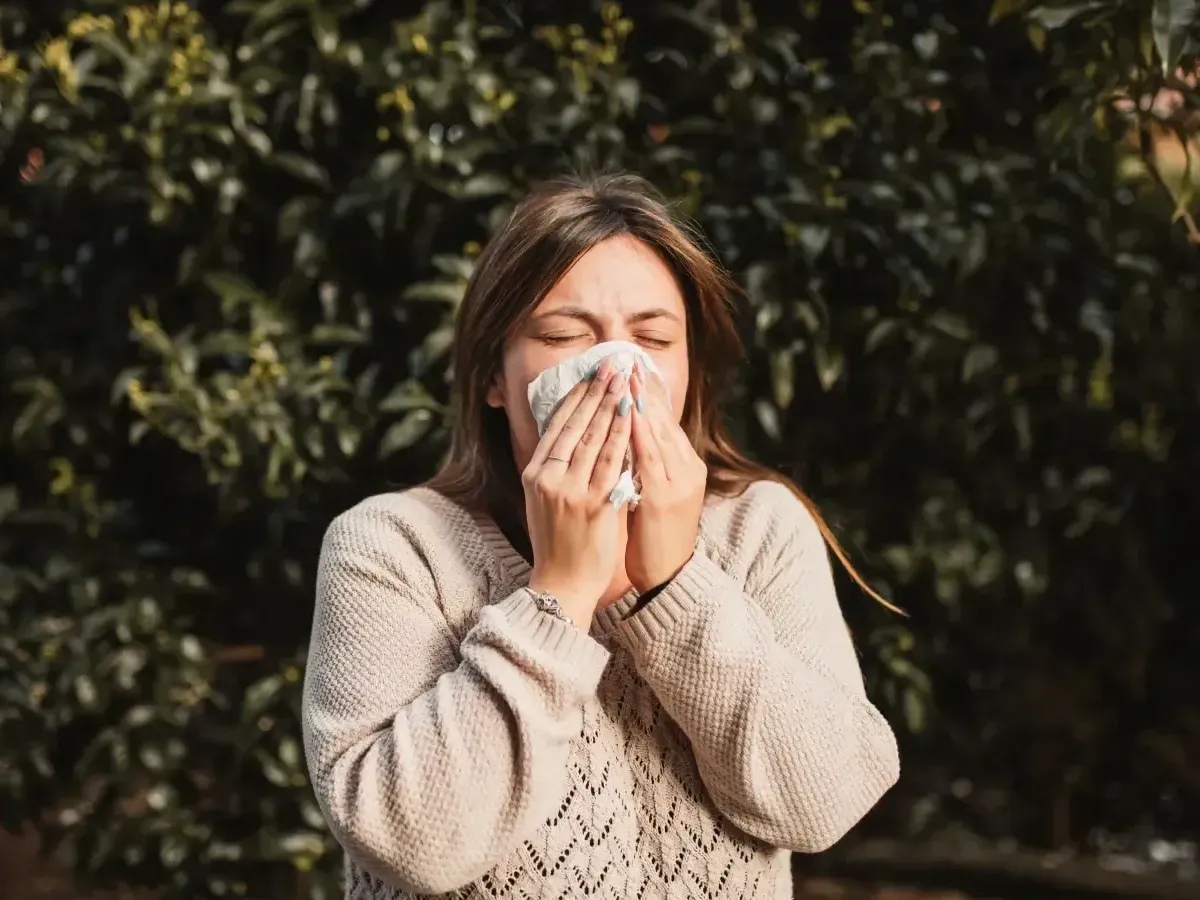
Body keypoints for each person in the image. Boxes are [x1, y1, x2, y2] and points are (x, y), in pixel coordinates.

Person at [301, 174, 900, 900]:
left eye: (652, 339)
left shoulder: (760, 530)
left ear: (686, 370)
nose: (618, 371)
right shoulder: (392, 547)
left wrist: (674, 584)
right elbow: (411, 843)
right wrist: (560, 592)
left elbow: (825, 803)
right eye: (562, 336)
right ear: (495, 374)